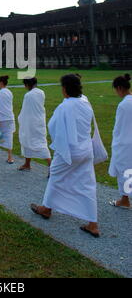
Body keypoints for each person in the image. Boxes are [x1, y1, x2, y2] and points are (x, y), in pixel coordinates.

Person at [31, 74, 100, 238]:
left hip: (69, 151)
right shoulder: (85, 102)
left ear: (65, 89)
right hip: (86, 150)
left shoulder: (65, 107)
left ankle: (46, 208)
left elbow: (53, 126)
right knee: (87, 185)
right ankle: (93, 224)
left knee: (55, 176)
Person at [109, 74, 132, 209]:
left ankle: (124, 199)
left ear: (119, 88)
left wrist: (116, 143)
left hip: (125, 143)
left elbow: (119, 128)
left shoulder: (123, 105)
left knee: (125, 171)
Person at [18, 77, 51, 171]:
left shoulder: (28, 95)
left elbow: (25, 110)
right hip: (39, 121)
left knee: (39, 144)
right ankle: (27, 164)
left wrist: (20, 118)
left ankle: (51, 166)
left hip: (31, 123)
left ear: (28, 85)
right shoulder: (41, 92)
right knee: (29, 142)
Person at [0, 75, 15, 164]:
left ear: (1, 83)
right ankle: (10, 157)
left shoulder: (0, 93)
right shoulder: (9, 92)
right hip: (9, 118)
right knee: (9, 137)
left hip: (1, 119)